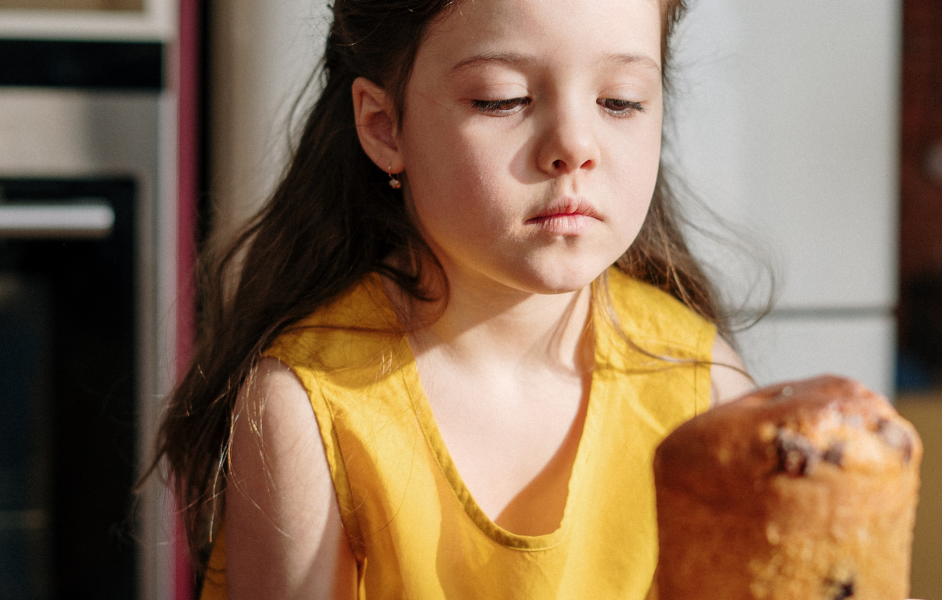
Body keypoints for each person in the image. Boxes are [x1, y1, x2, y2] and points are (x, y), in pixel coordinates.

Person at [154, 0, 756, 598]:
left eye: (619, 101)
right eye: (503, 99)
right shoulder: (308, 409)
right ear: (384, 127)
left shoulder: (703, 387)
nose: (575, 145)